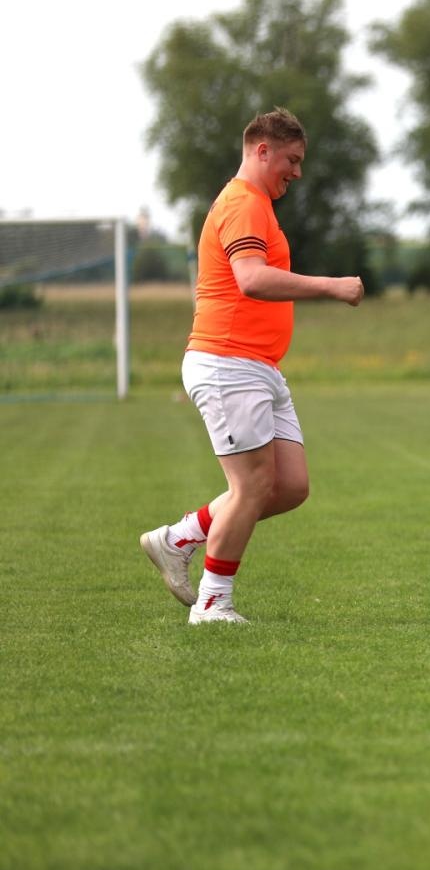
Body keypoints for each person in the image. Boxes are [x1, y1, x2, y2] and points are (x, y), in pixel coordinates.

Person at [139, 108, 364, 623]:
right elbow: (252, 279)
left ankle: (178, 538)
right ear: (262, 150)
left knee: (290, 486)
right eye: (292, 160)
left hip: (256, 365)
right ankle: (213, 603)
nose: (297, 172)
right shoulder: (243, 203)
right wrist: (332, 286)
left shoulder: (257, 204)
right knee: (252, 486)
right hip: (228, 362)